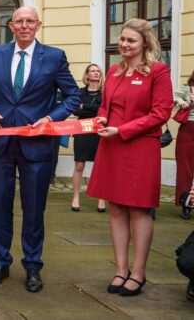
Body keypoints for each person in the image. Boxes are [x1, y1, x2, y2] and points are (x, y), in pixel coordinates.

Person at [0, 6, 81, 292]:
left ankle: (33, 265)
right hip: (1, 143)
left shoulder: (54, 56)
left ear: (38, 25)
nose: (24, 26)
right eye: (19, 21)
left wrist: (51, 118)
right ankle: (1, 261)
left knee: (34, 208)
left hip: (37, 145)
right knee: (0, 205)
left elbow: (73, 96)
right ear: (11, 26)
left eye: (30, 21)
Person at [87, 18, 172, 297]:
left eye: (130, 40)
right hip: (111, 145)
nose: (124, 44)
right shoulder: (113, 71)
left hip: (139, 147)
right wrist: (101, 118)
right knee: (115, 208)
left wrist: (121, 129)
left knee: (138, 209)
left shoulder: (158, 72)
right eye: (122, 39)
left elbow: (160, 114)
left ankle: (138, 273)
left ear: (145, 43)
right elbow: (104, 105)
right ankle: (120, 270)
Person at [71, 64, 106, 212]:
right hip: (82, 131)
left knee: (101, 166)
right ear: (87, 75)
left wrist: (84, 107)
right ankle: (76, 197)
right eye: (93, 71)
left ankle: (101, 198)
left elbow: (104, 110)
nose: (96, 73)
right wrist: (93, 109)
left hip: (99, 132)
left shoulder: (105, 93)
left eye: (98, 71)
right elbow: (74, 109)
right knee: (79, 165)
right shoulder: (79, 92)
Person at [173, 70, 194, 219]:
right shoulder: (187, 88)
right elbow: (173, 96)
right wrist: (180, 101)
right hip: (188, 129)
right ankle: (185, 203)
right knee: (184, 168)